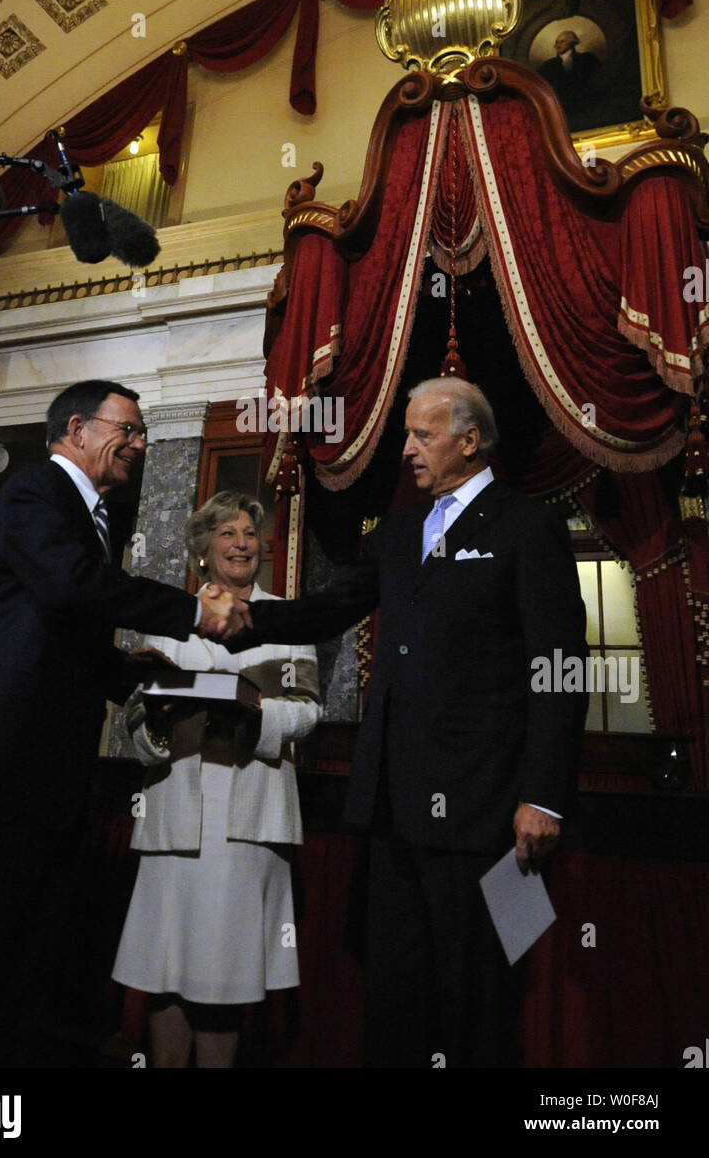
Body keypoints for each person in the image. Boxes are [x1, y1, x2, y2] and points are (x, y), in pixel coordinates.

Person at [0, 379, 246, 1068]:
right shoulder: (36, 492)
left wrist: (134, 675)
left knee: (10, 966)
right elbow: (73, 586)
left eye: (142, 433)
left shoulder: (86, 517)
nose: (139, 444)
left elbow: (64, 629)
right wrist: (191, 612)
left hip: (40, 779)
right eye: (130, 429)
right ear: (77, 429)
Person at [238, 378, 589, 1068]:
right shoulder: (399, 532)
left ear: (468, 439)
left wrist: (543, 794)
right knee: (395, 1001)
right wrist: (244, 618)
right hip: (393, 811)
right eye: (405, 435)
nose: (405, 451)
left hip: (493, 816)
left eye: (420, 435)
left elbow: (560, 668)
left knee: (483, 1005)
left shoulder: (528, 525)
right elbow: (332, 607)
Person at [112, 491, 320, 1068]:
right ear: (203, 550)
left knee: (224, 971)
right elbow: (131, 721)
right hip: (175, 809)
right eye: (227, 534)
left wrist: (256, 710)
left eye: (250, 534)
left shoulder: (284, 620)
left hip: (248, 814)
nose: (242, 544)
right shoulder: (171, 621)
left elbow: (308, 711)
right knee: (165, 966)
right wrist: (154, 720)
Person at [537, 29, 603, 114]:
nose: (558, 45)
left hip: (589, 106)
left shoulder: (587, 59)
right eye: (557, 42)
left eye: (562, 42)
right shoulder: (548, 65)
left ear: (572, 43)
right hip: (561, 109)